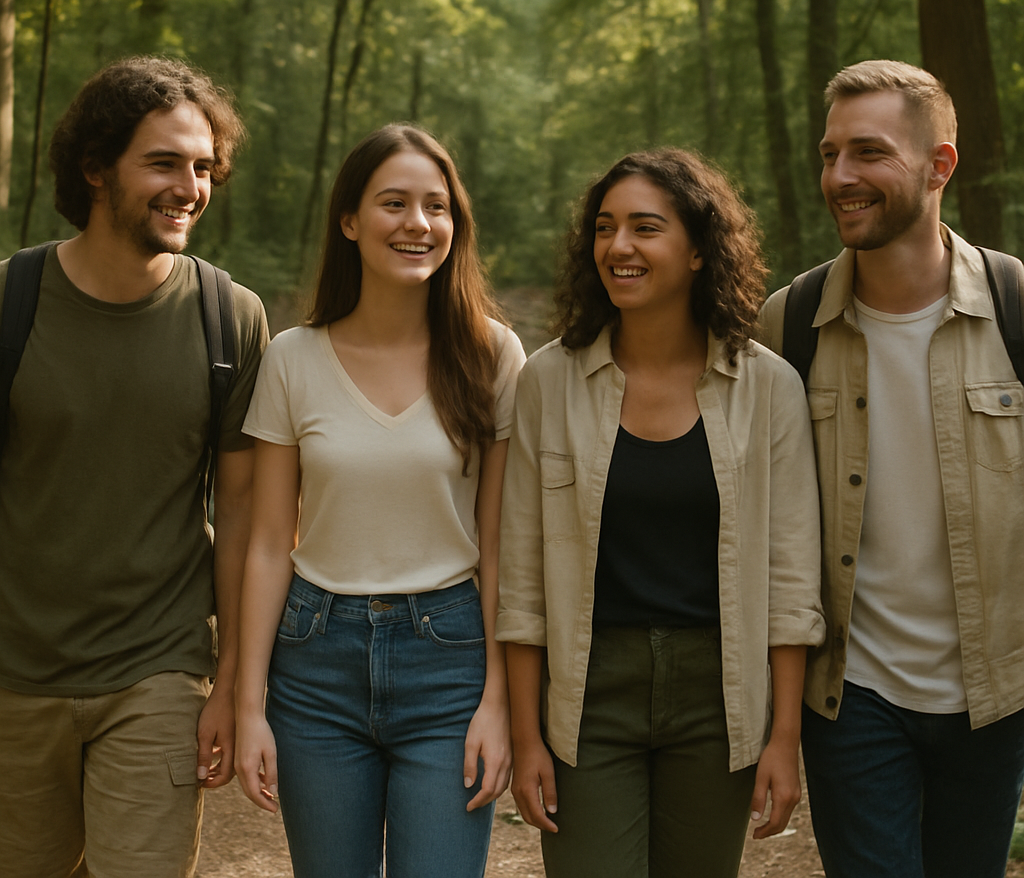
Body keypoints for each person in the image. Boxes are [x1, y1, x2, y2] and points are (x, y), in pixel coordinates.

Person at [498, 147, 825, 878]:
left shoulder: (767, 387)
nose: (619, 247)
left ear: (700, 251)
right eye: (606, 228)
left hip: (720, 694)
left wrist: (783, 738)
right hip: (587, 694)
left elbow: (792, 577)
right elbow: (520, 583)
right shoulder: (548, 380)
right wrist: (528, 737)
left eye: (646, 228)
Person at [0, 56, 269, 878]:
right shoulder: (11, 302)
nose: (190, 186)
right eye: (163, 163)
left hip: (158, 671)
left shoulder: (230, 319)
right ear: (94, 168)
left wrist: (229, 683)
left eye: (202, 166)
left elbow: (245, 522)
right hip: (14, 676)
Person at [235, 123, 526, 878]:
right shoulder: (292, 357)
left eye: (437, 206)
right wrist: (247, 705)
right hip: (315, 662)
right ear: (349, 220)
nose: (418, 224)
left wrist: (500, 700)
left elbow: (501, 543)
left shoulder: (493, 354)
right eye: (393, 203)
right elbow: (269, 541)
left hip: (452, 661)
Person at [759, 59, 1024, 878]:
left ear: (939, 165)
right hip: (854, 697)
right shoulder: (791, 322)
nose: (842, 176)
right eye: (830, 154)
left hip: (995, 695)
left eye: (869, 153)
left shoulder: (1016, 307)